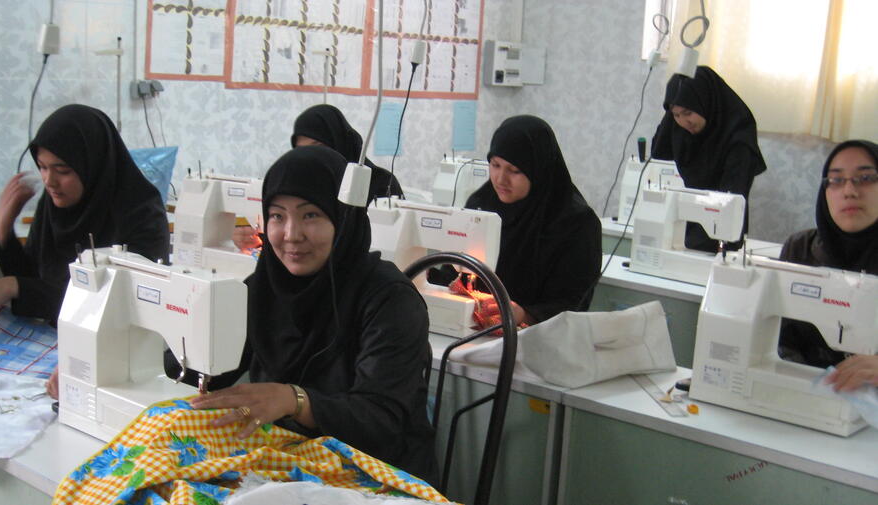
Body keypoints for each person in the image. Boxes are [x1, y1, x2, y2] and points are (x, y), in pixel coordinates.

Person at [180, 146, 437, 483]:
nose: (291, 234)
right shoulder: (262, 288)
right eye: (277, 216)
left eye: (310, 215)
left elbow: (381, 421)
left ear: (343, 219)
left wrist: (295, 401)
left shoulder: (389, 299)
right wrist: (185, 328)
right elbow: (211, 372)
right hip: (287, 460)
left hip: (377, 475)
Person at [0, 104, 169, 322]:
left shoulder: (142, 214)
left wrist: (14, 286)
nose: (49, 181)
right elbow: (33, 280)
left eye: (63, 171)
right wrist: (4, 230)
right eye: (42, 167)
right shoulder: (54, 205)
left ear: (93, 164)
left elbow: (118, 304)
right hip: (58, 332)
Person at [436, 115, 602, 327]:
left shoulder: (577, 223)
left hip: (539, 337)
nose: (500, 179)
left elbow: (572, 304)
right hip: (478, 328)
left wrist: (524, 315)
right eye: (495, 165)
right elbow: (454, 270)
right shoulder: (481, 204)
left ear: (538, 170)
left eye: (514, 171)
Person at [233, 104, 403, 251]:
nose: (312, 157)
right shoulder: (298, 185)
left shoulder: (382, 184)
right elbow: (289, 236)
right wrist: (253, 238)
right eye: (302, 150)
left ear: (340, 142)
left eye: (320, 147)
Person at [779, 140, 878, 370]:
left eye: (865, 178)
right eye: (836, 180)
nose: (849, 191)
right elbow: (783, 339)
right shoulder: (800, 248)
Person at [651, 65, 767, 252]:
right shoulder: (679, 130)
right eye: (676, 115)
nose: (683, 122)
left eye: (688, 113)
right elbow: (658, 156)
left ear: (705, 102)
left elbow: (731, 199)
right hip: (681, 229)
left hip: (720, 235)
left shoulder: (738, 138)